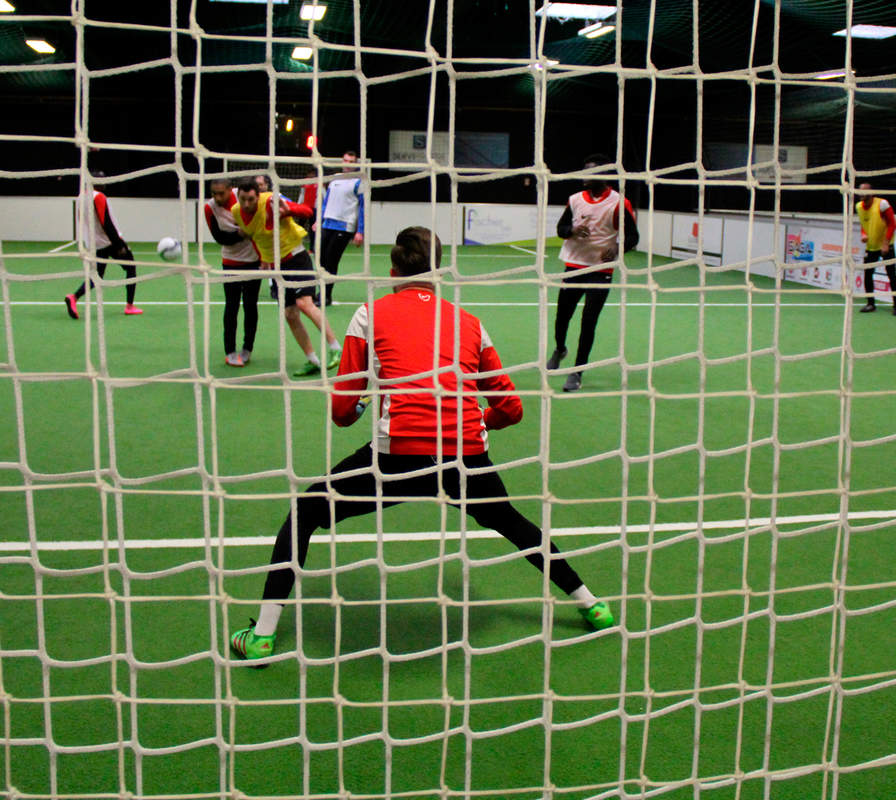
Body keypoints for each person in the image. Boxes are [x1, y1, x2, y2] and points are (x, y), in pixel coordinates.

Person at [229, 227, 616, 662]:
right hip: (466, 459)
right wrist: (477, 424)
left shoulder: (368, 314)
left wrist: (361, 409)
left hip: (396, 461)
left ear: (393, 271)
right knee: (515, 525)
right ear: (438, 272)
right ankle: (591, 604)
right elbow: (511, 409)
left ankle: (262, 635)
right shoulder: (470, 323)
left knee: (305, 513)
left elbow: (341, 411)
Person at [546, 154, 638, 392]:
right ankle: (559, 349)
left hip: (600, 270)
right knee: (562, 317)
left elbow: (633, 237)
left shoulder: (619, 203)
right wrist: (573, 230)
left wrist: (618, 248)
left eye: (591, 171)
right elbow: (561, 229)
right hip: (574, 266)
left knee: (589, 322)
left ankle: (577, 372)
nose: (585, 175)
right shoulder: (575, 200)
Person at [232, 180, 341, 377]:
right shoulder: (237, 212)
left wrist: (287, 211)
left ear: (258, 196)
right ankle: (313, 360)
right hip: (277, 266)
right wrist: (263, 259)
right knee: (290, 314)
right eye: (243, 199)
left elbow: (307, 211)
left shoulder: (271, 201)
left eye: (250, 199)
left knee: (304, 304)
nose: (246, 204)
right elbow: (253, 236)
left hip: (296, 257)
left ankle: (336, 348)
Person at [64, 170, 142, 318]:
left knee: (97, 275)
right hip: (108, 241)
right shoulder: (98, 197)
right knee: (131, 267)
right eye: (102, 180)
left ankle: (74, 297)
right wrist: (119, 245)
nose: (104, 182)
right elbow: (106, 222)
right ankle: (130, 306)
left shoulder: (81, 197)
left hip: (95, 243)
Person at [205, 178, 262, 367]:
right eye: (214, 193)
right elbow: (219, 237)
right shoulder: (210, 208)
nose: (217, 197)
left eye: (222, 193)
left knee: (250, 306)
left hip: (254, 262)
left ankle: (248, 348)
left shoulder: (246, 198)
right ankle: (229, 351)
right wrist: (240, 235)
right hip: (230, 262)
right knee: (231, 306)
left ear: (231, 190)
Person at [315, 150, 366, 306]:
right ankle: (320, 292)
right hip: (327, 224)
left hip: (344, 226)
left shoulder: (359, 182)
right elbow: (326, 202)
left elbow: (363, 208)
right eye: (345, 161)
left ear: (356, 164)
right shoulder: (335, 179)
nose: (347, 165)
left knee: (331, 261)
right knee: (321, 260)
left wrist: (360, 231)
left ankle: (326, 296)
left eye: (351, 162)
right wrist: (319, 220)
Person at [854, 182, 896, 316]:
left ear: (871, 193)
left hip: (886, 245)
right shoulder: (859, 207)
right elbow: (864, 223)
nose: (861, 194)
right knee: (868, 274)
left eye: (864, 191)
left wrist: (886, 243)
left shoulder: (882, 204)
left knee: (891, 274)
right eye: (860, 191)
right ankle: (870, 303)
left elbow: (892, 224)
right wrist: (863, 234)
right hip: (871, 246)